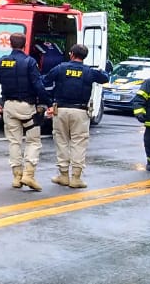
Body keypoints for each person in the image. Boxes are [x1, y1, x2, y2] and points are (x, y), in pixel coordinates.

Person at [0, 32, 51, 191]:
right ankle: (28, 175)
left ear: (10, 44)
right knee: (33, 141)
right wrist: (48, 103)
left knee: (14, 142)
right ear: (25, 44)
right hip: (27, 107)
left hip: (8, 106)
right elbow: (38, 86)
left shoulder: (2, 62)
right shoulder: (30, 62)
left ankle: (16, 177)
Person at [42, 43, 109, 188]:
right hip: (80, 111)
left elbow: (45, 80)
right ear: (85, 57)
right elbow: (105, 79)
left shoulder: (60, 68)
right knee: (79, 143)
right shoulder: (89, 72)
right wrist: (104, 70)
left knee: (62, 141)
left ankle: (63, 175)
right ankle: (76, 178)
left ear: (71, 53)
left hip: (60, 110)